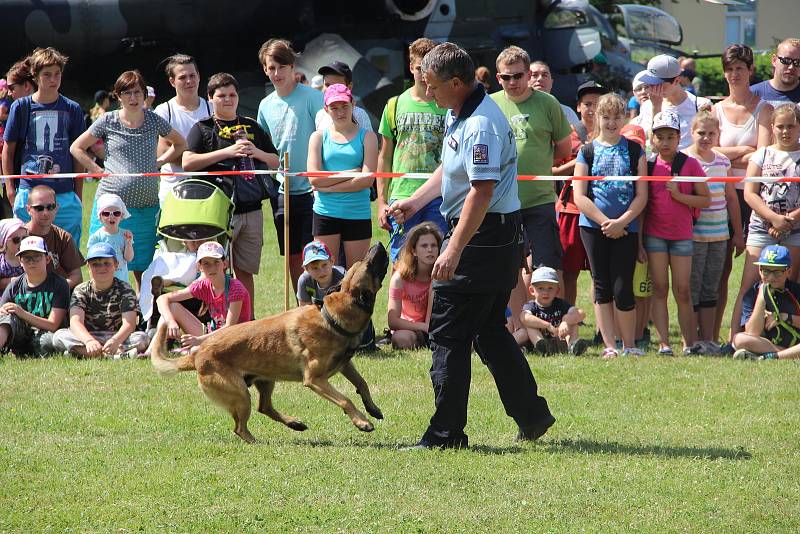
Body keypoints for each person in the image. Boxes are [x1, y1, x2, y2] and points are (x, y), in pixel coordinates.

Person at [390, 42, 555, 449]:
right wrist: (416, 200)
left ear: (457, 83)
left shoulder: (480, 122)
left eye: (432, 85)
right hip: (490, 235)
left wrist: (453, 249)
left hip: (483, 236)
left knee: (447, 334)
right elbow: (450, 166)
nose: (427, 93)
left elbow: (481, 192)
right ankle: (533, 416)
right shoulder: (459, 111)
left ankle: (446, 434)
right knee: (489, 332)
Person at [70, 69, 187, 292]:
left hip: (145, 208)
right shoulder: (108, 120)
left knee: (145, 266)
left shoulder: (154, 120)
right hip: (111, 210)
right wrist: (96, 169)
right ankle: (107, 311)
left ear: (144, 94)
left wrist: (160, 161)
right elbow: (76, 147)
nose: (133, 98)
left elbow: (180, 144)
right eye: (127, 93)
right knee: (105, 263)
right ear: (118, 96)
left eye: (137, 92)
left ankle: (144, 312)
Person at [183, 72, 278, 316]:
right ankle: (218, 320)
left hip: (252, 209)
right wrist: (228, 152)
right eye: (221, 95)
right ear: (210, 98)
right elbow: (187, 162)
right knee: (214, 270)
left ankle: (248, 321)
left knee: (245, 271)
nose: (228, 100)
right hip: (217, 210)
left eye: (232, 95)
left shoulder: (253, 126)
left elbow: (276, 161)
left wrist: (255, 151)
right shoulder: (202, 128)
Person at [491, 46, 571, 335]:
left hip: (539, 198)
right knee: (510, 266)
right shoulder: (489, 104)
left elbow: (564, 148)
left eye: (518, 76)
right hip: (502, 201)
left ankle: (556, 327)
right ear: (498, 77)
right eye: (506, 77)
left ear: (528, 74)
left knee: (546, 265)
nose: (512, 82)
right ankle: (521, 327)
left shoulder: (548, 104)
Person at [573, 93, 648, 359]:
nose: (612, 123)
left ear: (625, 118)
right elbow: (579, 195)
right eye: (606, 117)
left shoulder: (635, 150)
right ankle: (610, 346)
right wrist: (605, 222)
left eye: (617, 117)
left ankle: (629, 344)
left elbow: (642, 195)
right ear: (597, 118)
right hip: (593, 228)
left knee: (622, 286)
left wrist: (622, 222)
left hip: (627, 227)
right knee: (602, 285)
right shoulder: (587, 151)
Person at [713, 44, 773, 351]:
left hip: (756, 199)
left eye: (740, 68)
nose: (734, 74)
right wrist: (740, 153)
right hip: (721, 200)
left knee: (757, 272)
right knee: (720, 272)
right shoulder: (715, 110)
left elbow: (763, 157)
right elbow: (710, 153)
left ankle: (748, 331)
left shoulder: (765, 109)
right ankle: (715, 336)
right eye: (730, 68)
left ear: (750, 70)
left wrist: (729, 158)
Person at [729, 104, 800, 342]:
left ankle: (782, 337)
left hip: (795, 229)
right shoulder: (762, 154)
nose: (785, 131)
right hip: (761, 227)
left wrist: (788, 220)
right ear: (772, 128)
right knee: (748, 284)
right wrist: (773, 218)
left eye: (791, 126)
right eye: (780, 126)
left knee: (787, 283)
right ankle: (734, 338)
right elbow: (750, 193)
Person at [257, 38, 323, 291]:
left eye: (281, 67)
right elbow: (265, 146)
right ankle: (302, 302)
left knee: (316, 251)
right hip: (282, 191)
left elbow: (326, 135)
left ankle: (322, 299)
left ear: (292, 67)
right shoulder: (265, 105)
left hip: (313, 189)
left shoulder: (312, 98)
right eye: (271, 68)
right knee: (294, 255)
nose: (277, 73)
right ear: (265, 69)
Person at [1, 47, 86, 244]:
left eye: (57, 74)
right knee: (29, 254)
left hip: (64, 194)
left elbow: (78, 153)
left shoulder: (72, 108)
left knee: (67, 255)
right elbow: (8, 150)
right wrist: (11, 190)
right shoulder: (21, 107)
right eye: (47, 74)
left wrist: (78, 194)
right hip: (29, 192)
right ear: (35, 76)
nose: (53, 79)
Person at [643, 111, 710, 355]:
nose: (665, 142)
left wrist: (680, 196)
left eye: (670, 136)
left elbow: (705, 199)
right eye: (660, 137)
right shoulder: (648, 165)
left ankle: (688, 343)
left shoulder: (689, 163)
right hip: (654, 235)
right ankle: (664, 344)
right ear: (653, 139)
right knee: (659, 288)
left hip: (681, 235)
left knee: (682, 290)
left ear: (679, 137)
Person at [376, 37, 448, 263]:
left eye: (430, 68)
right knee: (403, 264)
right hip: (402, 196)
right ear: (410, 67)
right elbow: (385, 156)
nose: (425, 74)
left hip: (439, 197)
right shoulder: (394, 104)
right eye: (419, 68)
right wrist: (381, 202)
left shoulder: (448, 106)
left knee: (437, 263)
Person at [684, 111, 742, 354]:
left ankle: (708, 339)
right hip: (693, 236)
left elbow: (731, 198)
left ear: (718, 134)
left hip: (720, 235)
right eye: (701, 133)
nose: (706, 138)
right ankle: (691, 339)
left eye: (711, 133)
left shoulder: (722, 162)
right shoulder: (685, 159)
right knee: (692, 286)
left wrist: (738, 233)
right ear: (691, 133)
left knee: (711, 286)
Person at [306, 84, 377, 268]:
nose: (340, 112)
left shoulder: (368, 137)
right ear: (326, 109)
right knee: (324, 273)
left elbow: (368, 179)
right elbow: (314, 179)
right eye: (334, 107)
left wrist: (328, 187)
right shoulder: (318, 137)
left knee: (355, 277)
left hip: (358, 213)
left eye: (344, 106)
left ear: (353, 104)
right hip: (325, 212)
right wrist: (351, 173)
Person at [553, 81, 609, 306]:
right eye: (588, 104)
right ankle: (569, 321)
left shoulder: (614, 135)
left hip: (603, 210)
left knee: (601, 272)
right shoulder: (569, 134)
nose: (593, 109)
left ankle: (602, 329)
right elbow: (553, 170)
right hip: (571, 209)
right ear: (578, 107)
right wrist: (583, 157)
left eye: (598, 104)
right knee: (569, 271)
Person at [52, 243, 147, 359]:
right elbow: (75, 321)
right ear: (88, 267)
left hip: (117, 336)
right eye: (95, 264)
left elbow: (129, 324)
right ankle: (116, 356)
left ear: (116, 265)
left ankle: (82, 353)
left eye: (106, 263)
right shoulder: (81, 290)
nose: (101, 268)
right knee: (59, 336)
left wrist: (115, 340)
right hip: (87, 336)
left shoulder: (125, 289)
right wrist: (89, 341)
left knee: (142, 338)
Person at [155, 241, 251, 350]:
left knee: (196, 350)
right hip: (213, 334)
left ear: (225, 264)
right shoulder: (203, 286)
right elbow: (162, 298)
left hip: (236, 340)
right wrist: (170, 321)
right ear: (199, 267)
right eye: (206, 264)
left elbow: (230, 328)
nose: (212, 268)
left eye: (216, 262)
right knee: (172, 307)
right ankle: (152, 350)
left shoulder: (235, 288)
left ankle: (183, 349)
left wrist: (199, 340)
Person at [153, 54, 214, 204]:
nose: (189, 81)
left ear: (199, 77)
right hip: (173, 192)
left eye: (192, 75)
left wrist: (182, 152)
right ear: (172, 82)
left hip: (211, 190)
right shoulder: (163, 111)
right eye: (182, 77)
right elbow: (163, 153)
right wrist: (207, 157)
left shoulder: (212, 108)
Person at [0, 236, 67, 356]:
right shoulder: (14, 285)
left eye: (37, 256)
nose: (31, 261)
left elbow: (53, 325)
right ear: (20, 262)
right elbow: (2, 315)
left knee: (47, 342)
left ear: (47, 259)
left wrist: (22, 313)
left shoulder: (59, 284)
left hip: (46, 334)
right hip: (20, 333)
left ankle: (26, 351)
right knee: (6, 317)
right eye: (26, 258)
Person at [733, 245, 800, 360]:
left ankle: (770, 357)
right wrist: (762, 297)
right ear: (759, 271)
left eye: (777, 272)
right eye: (766, 271)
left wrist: (783, 317)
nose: (771, 277)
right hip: (767, 344)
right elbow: (752, 332)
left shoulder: (796, 291)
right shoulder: (753, 293)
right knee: (739, 339)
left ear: (788, 272)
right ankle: (789, 355)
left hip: (796, 342)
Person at [638, 54, 712, 149]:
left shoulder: (701, 105)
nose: (653, 87)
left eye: (659, 83)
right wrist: (656, 107)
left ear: (677, 80)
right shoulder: (648, 106)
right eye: (650, 82)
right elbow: (653, 147)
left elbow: (710, 146)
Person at [387, 222, 441, 349]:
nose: (430, 250)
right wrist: (423, 327)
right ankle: (423, 342)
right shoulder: (399, 278)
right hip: (410, 328)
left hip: (436, 326)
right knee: (401, 339)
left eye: (434, 245)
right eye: (424, 246)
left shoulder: (441, 275)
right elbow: (393, 321)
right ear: (413, 251)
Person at [514, 266, 588, 355]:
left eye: (550, 288)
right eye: (540, 288)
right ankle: (542, 347)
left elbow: (581, 313)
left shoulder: (561, 304)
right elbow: (524, 317)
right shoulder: (531, 305)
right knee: (530, 326)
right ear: (532, 290)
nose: (546, 292)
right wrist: (548, 325)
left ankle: (572, 347)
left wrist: (566, 321)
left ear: (557, 291)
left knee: (573, 323)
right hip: (537, 339)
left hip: (559, 339)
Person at [24, 185, 83, 289]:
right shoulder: (18, 237)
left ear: (56, 208)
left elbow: (77, 276)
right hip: (26, 295)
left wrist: (56, 290)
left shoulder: (63, 237)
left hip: (57, 297)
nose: (45, 213)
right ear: (28, 209)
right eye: (39, 208)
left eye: (50, 207)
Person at [86, 193, 134, 283]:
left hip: (121, 281)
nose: (111, 216)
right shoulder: (96, 237)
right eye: (106, 214)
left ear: (121, 216)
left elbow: (129, 258)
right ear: (100, 217)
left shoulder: (125, 235)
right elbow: (90, 262)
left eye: (116, 213)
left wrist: (128, 243)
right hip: (103, 281)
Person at [314, 61, 373, 132]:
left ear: (350, 87)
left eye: (337, 85)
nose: (332, 89)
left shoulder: (360, 115)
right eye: (327, 85)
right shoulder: (320, 115)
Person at [528, 60, 582, 131]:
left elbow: (576, 140)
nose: (540, 78)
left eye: (544, 75)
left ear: (551, 82)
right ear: (526, 80)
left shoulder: (566, 113)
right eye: (534, 75)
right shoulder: (515, 109)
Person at [750, 38, 800, 108]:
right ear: (774, 60)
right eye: (786, 60)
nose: (791, 67)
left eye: (797, 62)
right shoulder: (752, 94)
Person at [296, 240, 345, 306]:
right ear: (306, 269)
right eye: (315, 268)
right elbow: (303, 310)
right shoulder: (305, 281)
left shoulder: (343, 277)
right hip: (314, 314)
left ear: (332, 261)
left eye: (324, 265)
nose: (321, 272)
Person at [0, 218, 27, 289]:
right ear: (4, 242)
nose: (21, 243)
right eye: (16, 240)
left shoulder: (29, 258)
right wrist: (13, 281)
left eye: (24, 238)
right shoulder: (1, 263)